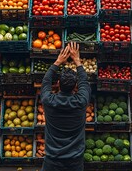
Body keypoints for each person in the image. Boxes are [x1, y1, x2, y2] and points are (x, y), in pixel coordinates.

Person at [40, 42, 92, 171]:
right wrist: (77, 60)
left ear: (58, 84)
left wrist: (58, 61)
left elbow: (45, 81)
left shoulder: (49, 101)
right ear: (76, 87)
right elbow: (84, 82)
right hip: (75, 160)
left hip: (52, 159)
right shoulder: (81, 101)